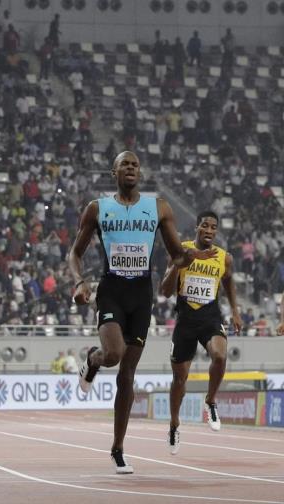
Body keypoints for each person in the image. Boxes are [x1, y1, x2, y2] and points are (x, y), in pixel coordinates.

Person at [68, 151, 216, 474]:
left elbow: (177, 255)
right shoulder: (97, 208)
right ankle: (93, 359)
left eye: (135, 164)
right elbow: (74, 253)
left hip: (140, 296)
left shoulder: (159, 208)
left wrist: (192, 256)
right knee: (113, 354)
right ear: (114, 172)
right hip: (111, 291)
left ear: (140, 172)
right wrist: (79, 282)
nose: (131, 168)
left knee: (127, 375)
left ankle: (118, 449)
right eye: (125, 164)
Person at [161, 211, 243, 453]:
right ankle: (174, 424)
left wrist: (235, 310)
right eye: (205, 225)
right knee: (179, 380)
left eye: (213, 227)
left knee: (220, 355)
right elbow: (165, 291)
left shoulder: (224, 257)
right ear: (197, 227)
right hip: (185, 321)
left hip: (210, 318)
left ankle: (211, 401)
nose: (209, 230)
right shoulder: (181, 250)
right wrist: (180, 263)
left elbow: (228, 280)